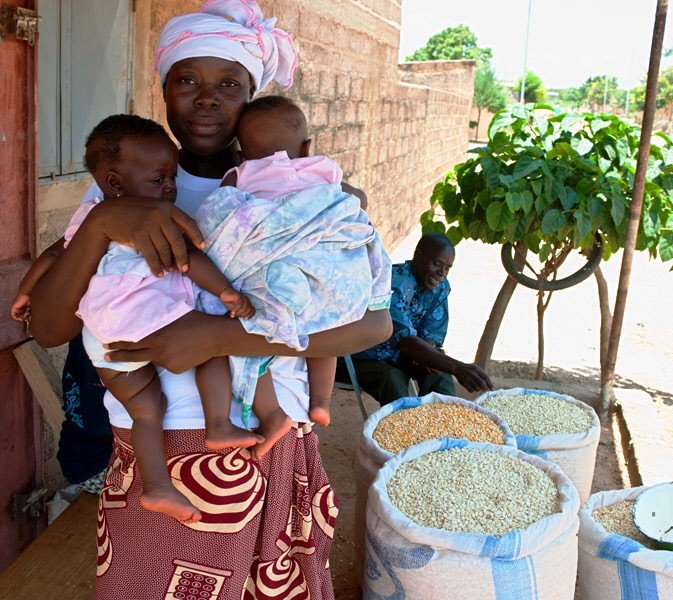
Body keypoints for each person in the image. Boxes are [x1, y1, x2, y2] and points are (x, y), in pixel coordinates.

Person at [28, 2, 390, 598]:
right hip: (152, 440)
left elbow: (373, 324)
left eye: (229, 84)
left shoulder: (306, 198)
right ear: (163, 89)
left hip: (265, 432)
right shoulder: (120, 190)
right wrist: (100, 226)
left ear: (253, 95)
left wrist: (219, 336)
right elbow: (48, 328)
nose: (206, 99)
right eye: (187, 80)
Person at [14, 113, 264, 523]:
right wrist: (226, 292)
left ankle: (158, 486)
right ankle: (219, 423)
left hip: (102, 339)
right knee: (211, 346)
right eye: (159, 179)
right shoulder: (156, 219)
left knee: (146, 410)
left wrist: (27, 291)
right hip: (146, 318)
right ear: (115, 182)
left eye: (172, 178)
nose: (169, 188)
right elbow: (189, 260)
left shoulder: (89, 215)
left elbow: (55, 254)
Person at [196, 95, 391, 456]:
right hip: (320, 268)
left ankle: (271, 413)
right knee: (327, 326)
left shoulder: (239, 175)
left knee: (250, 339)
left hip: (271, 275)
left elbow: (219, 215)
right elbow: (353, 199)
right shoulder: (322, 169)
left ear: (240, 155)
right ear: (306, 148)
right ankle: (321, 401)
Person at [342, 232, 493, 405]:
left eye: (447, 268)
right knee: (392, 379)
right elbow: (405, 341)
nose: (442, 273)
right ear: (418, 255)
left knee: (440, 374)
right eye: (437, 263)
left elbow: (431, 336)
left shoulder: (440, 287)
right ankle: (405, 424)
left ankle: (443, 423)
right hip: (363, 358)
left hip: (404, 356)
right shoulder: (393, 282)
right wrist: (457, 367)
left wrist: (429, 355)